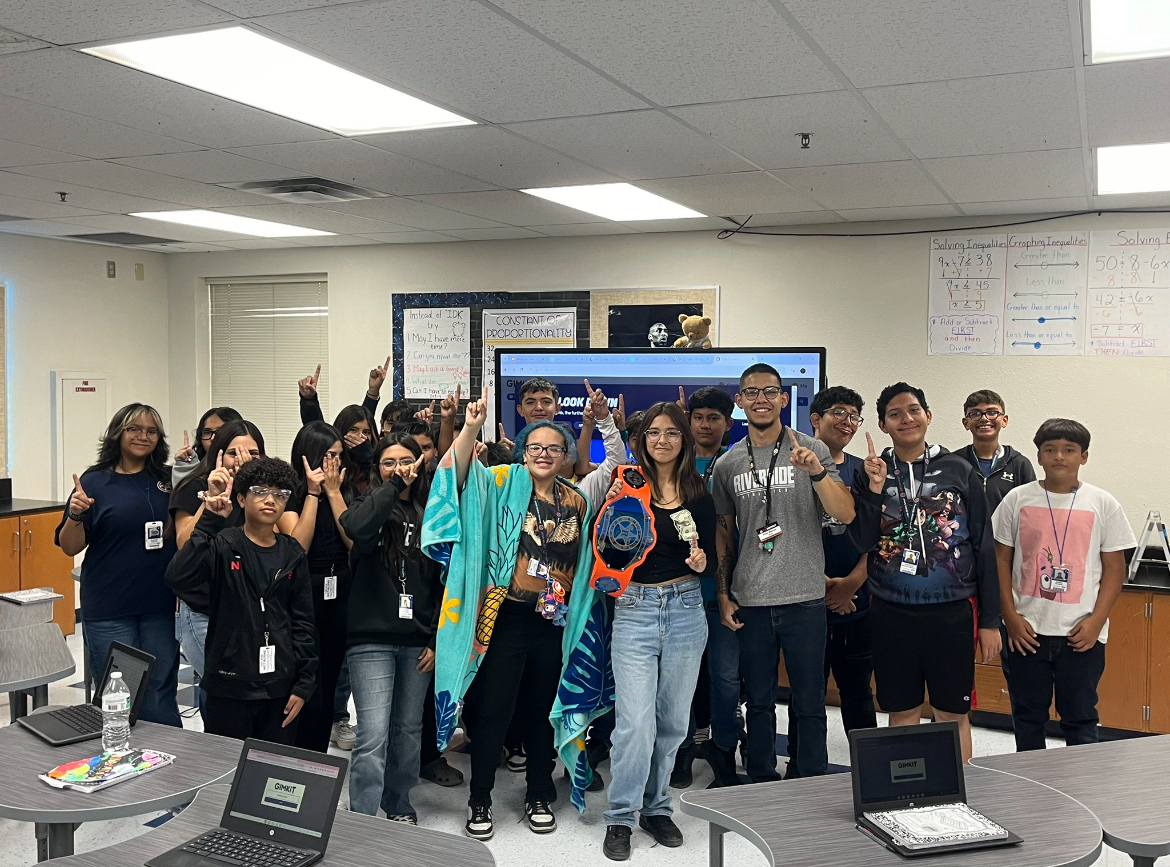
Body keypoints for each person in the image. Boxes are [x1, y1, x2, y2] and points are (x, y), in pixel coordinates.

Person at [421, 388, 611, 841]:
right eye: (536, 447)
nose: (544, 455)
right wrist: (469, 427)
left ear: (567, 456)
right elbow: (459, 474)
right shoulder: (501, 481)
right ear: (524, 452)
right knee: (493, 711)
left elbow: (586, 564)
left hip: (554, 624)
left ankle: (539, 793)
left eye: (554, 449)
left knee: (544, 711)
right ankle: (481, 798)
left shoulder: (577, 502)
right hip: (503, 618)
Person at [712, 365, 854, 783]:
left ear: (784, 399)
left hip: (805, 598)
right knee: (757, 701)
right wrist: (723, 594)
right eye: (751, 392)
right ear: (740, 401)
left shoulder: (811, 449)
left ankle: (808, 776)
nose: (761, 399)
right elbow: (723, 533)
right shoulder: (728, 463)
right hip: (752, 600)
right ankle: (760, 777)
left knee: (809, 701)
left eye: (770, 391)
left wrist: (816, 472)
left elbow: (844, 512)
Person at [850, 382, 1001, 764]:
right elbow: (863, 541)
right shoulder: (873, 471)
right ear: (883, 425)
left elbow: (984, 545)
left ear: (928, 416)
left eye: (913, 410)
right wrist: (872, 489)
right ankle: (907, 792)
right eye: (895, 414)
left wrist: (991, 621)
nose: (906, 419)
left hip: (950, 612)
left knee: (952, 713)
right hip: (891, 611)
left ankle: (961, 795)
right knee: (901, 712)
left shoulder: (958, 469)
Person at [602, 402, 715, 862]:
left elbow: (705, 547)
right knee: (634, 725)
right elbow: (607, 545)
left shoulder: (698, 491)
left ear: (684, 439)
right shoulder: (625, 484)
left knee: (672, 724)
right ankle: (621, 816)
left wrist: (703, 562)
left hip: (687, 607)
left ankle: (656, 806)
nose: (662, 440)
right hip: (635, 610)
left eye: (672, 432)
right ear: (642, 439)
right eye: (653, 432)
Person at [994, 419, 1135, 751]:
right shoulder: (1017, 500)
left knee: (1080, 717)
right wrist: (1010, 617)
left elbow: (1116, 569)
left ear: (1083, 457)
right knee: (1028, 717)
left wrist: (1096, 621)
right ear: (1039, 456)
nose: (1059, 456)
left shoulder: (1103, 503)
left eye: (1069, 450)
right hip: (1025, 632)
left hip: (1081, 633)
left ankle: (1081, 788)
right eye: (1050, 449)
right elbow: (999, 560)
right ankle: (1032, 787)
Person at [166, 457, 317, 742]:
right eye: (260, 492)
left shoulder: (292, 552)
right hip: (229, 683)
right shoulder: (223, 545)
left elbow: (303, 621)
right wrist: (209, 518)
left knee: (272, 770)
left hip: (279, 685)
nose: (270, 500)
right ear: (241, 498)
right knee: (227, 772)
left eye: (280, 494)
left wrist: (303, 684)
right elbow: (177, 577)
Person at [56, 403, 182, 727]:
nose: (143, 436)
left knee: (159, 694)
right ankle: (124, 767)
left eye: (151, 431)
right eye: (134, 429)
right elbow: (70, 546)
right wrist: (75, 514)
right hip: (110, 608)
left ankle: (174, 770)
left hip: (161, 605)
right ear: (118, 433)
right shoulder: (95, 482)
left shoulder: (169, 480)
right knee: (120, 697)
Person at [339, 435, 439, 824]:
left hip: (418, 640)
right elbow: (356, 527)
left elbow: (444, 582)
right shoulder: (369, 506)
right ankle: (362, 816)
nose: (398, 467)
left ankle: (398, 803)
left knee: (409, 729)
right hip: (371, 639)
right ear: (377, 469)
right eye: (388, 463)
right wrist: (394, 485)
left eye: (406, 461)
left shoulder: (432, 511)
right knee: (373, 733)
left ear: (421, 464)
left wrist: (435, 636)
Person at [788, 387, 875, 776]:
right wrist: (815, 581)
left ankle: (869, 770)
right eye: (838, 412)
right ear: (815, 419)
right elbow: (778, 530)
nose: (847, 421)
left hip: (857, 602)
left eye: (855, 415)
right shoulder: (790, 468)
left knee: (858, 692)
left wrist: (852, 583)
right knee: (805, 695)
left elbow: (879, 533)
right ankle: (802, 766)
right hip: (805, 601)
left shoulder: (864, 470)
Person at [169, 420, 265, 716]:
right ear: (219, 455)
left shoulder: (263, 491)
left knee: (248, 695)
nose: (243, 459)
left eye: (253, 452)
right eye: (234, 453)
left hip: (250, 610)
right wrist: (212, 500)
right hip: (204, 610)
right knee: (220, 693)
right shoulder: (196, 487)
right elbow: (185, 543)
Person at [674, 386, 740, 788]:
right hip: (678, 593)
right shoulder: (672, 465)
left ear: (727, 424)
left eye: (713, 418)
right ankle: (681, 751)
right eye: (697, 417)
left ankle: (724, 750)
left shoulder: (734, 465)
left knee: (726, 679)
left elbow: (732, 532)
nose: (704, 424)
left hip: (722, 593)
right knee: (680, 680)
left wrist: (726, 586)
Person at [281, 421, 355, 753]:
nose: (335, 464)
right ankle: (299, 749)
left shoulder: (344, 490)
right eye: (328, 456)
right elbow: (298, 547)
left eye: (339, 456)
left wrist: (333, 492)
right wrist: (313, 493)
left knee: (330, 678)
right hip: (304, 591)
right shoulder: (290, 494)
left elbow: (354, 541)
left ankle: (319, 754)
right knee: (306, 678)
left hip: (340, 588)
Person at [957, 390, 1036, 513]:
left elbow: (1031, 512)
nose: (984, 418)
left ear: (1004, 420)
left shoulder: (1020, 465)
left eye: (992, 412)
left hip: (1005, 533)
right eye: (975, 413)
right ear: (966, 423)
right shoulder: (954, 463)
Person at [171, 406, 241, 485]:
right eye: (207, 432)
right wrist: (185, 470)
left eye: (220, 431)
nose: (213, 438)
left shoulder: (251, 462)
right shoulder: (194, 464)